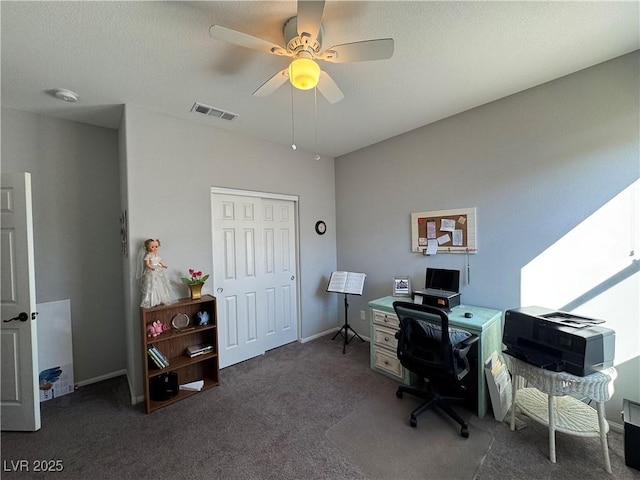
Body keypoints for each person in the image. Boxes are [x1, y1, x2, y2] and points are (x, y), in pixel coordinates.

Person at [137, 238, 176, 308]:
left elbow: (159, 261)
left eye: (156, 247)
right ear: (148, 248)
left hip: (157, 270)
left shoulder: (156, 255)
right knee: (151, 285)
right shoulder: (148, 255)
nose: (155, 248)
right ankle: (152, 300)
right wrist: (151, 267)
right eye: (152, 247)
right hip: (151, 271)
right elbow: (147, 264)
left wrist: (163, 265)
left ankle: (160, 299)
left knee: (160, 284)